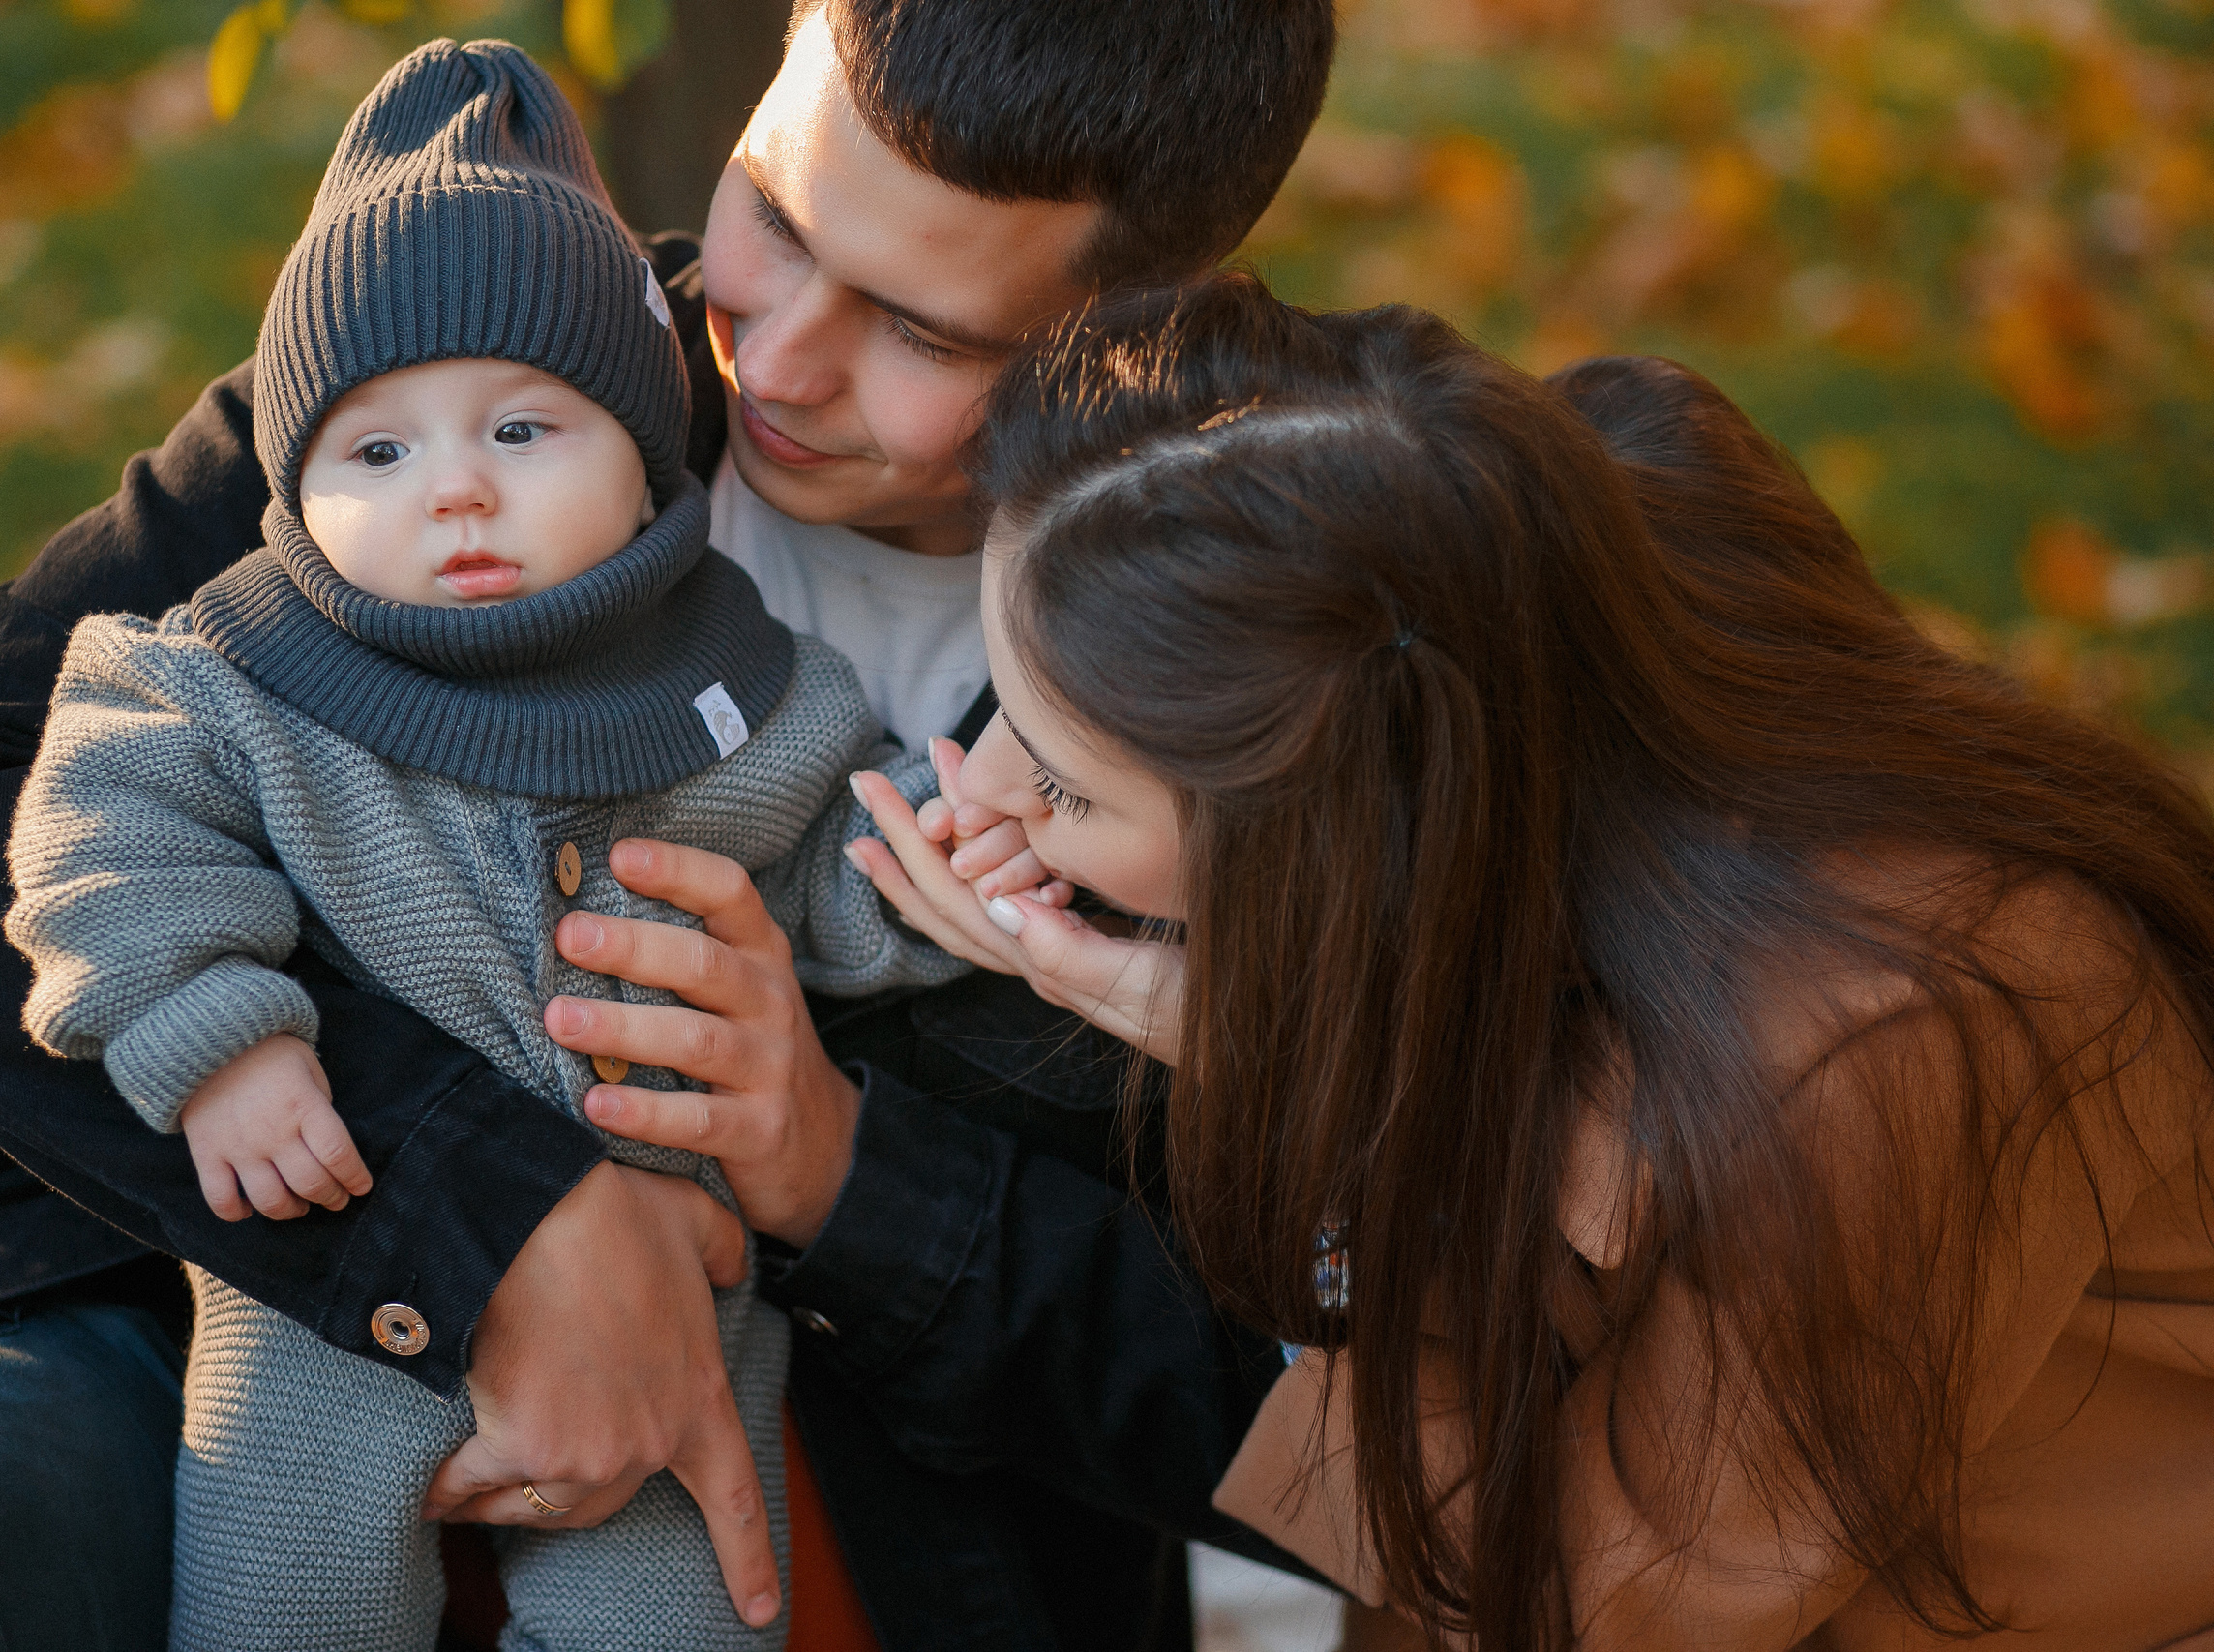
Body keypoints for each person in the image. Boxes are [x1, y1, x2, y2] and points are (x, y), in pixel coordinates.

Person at [0, 3, 1335, 1648]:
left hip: (841, 1544)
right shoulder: (482, 330)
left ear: (1136, 320)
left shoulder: (1252, 660)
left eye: (925, 333)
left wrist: (844, 1179)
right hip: (188, 1369)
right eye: (773, 223)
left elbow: (1349, 1478)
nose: (773, 356)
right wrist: (493, 1217)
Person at [844, 273, 2214, 1651]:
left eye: (1068, 788)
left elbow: (1578, 1607)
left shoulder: (1887, 1054)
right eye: (1000, 705)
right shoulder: (1476, 567)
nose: (980, 800)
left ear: (1333, 828)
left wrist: (1283, 1074)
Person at [2, 40, 992, 1649]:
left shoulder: (756, 694)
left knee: (683, 1625)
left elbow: (840, 888)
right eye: (376, 454)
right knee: (282, 1618)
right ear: (295, 482)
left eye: (524, 432)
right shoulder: (223, 672)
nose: (454, 493)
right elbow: (103, 838)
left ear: (647, 452)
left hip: (677, 1304)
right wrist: (216, 1042)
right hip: (325, 1288)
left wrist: (945, 872)